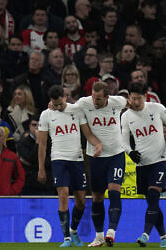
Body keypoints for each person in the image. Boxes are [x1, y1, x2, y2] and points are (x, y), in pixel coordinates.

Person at [121, 82, 166, 248]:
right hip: (142, 163)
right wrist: (130, 152)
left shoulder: (156, 108)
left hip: (160, 160)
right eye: (133, 98)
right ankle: (164, 236)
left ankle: (145, 234)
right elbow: (124, 140)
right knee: (151, 201)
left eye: (139, 99)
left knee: (154, 195)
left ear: (145, 96)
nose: (136, 102)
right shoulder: (126, 116)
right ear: (129, 97)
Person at [37, 85, 102, 247]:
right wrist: (41, 168)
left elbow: (87, 133)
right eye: (55, 104)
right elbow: (42, 145)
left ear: (65, 97)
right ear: (50, 101)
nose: (58, 107)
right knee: (63, 195)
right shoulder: (46, 115)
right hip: (58, 160)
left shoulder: (76, 110)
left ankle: (73, 231)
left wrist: (98, 144)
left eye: (61, 104)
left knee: (81, 201)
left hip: (77, 160)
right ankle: (66, 238)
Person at [75, 81, 127, 247]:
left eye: (98, 99)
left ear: (107, 97)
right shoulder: (84, 103)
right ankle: (99, 236)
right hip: (96, 157)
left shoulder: (117, 102)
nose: (94, 101)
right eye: (93, 97)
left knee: (113, 190)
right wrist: (53, 106)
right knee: (97, 196)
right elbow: (68, 109)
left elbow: (134, 102)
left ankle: (111, 231)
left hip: (116, 155)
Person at [17, 115, 54, 195]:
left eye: (40, 125)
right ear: (30, 127)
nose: (37, 128)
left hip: (47, 183)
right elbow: (32, 159)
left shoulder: (51, 142)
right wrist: (38, 141)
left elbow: (51, 161)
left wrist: (32, 163)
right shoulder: (23, 142)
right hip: (29, 183)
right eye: (34, 125)